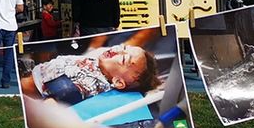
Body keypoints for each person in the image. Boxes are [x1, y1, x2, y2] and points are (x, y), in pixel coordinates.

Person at [28, 44, 160, 100]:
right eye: (123, 47)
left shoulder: (89, 84)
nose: (116, 49)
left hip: (30, 88)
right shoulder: (99, 64)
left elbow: (53, 103)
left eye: (124, 58)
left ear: (118, 82)